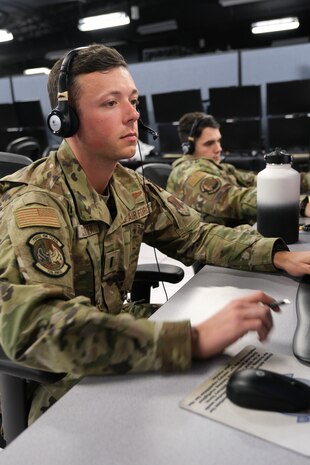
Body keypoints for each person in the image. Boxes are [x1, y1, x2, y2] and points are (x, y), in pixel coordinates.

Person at [0, 44, 310, 427]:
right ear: (66, 120)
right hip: (58, 380)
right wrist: (188, 341)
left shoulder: (129, 185)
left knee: (241, 356)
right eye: (110, 104)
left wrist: (278, 256)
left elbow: (195, 236)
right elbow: (39, 329)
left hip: (117, 333)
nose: (133, 115)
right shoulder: (37, 204)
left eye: (133, 101)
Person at [166, 112, 310, 227]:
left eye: (218, 141)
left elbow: (257, 180)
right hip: (221, 253)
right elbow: (235, 198)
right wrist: (300, 204)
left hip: (243, 238)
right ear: (188, 147)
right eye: (209, 143)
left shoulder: (218, 167)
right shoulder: (189, 174)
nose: (219, 149)